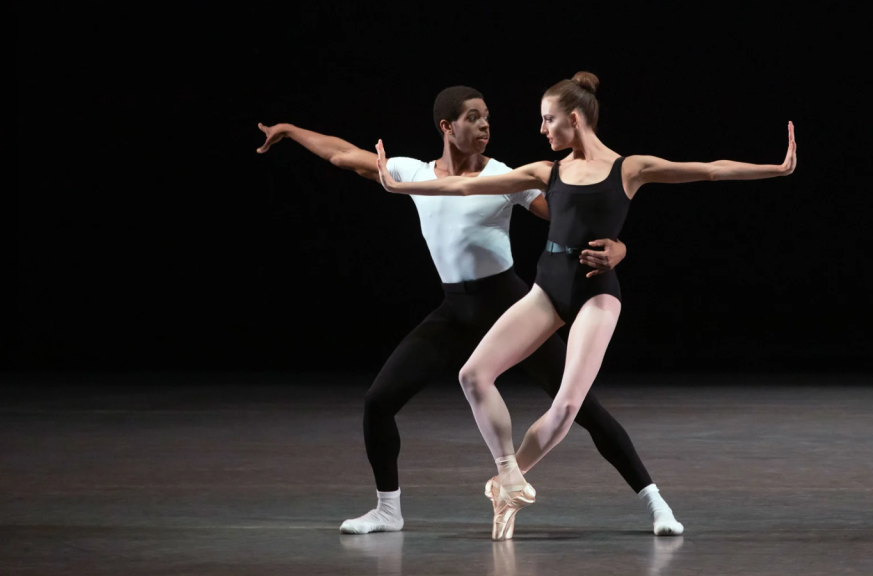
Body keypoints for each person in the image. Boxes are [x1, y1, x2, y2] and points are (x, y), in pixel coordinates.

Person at [375, 72, 797, 540]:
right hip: (545, 291)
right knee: (472, 375)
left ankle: (520, 486)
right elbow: (462, 187)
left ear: (573, 119)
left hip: (597, 294)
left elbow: (709, 168)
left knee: (569, 406)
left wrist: (774, 169)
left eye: (548, 120)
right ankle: (509, 476)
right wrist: (400, 188)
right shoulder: (545, 171)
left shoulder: (629, 168)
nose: (542, 130)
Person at [256, 85, 684, 538]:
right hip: (455, 310)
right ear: (447, 127)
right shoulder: (411, 172)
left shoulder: (504, 176)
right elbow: (343, 155)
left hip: (512, 304)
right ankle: (388, 511)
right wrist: (289, 129)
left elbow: (577, 213)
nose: (485, 126)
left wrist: (618, 248)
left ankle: (655, 502)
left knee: (582, 409)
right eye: (475, 118)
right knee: (378, 402)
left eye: (487, 118)